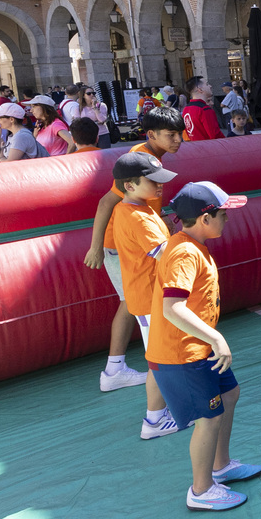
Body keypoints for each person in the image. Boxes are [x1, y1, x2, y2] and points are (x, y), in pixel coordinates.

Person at [148, 181, 261, 511]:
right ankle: (201, 490)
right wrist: (216, 338)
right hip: (182, 354)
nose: (227, 219)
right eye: (223, 214)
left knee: (230, 394)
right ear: (205, 218)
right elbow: (172, 308)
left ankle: (220, 466)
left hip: (198, 349)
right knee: (207, 418)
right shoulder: (183, 252)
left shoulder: (193, 245)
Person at [83, 106, 185, 392]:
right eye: (171, 135)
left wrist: (163, 216)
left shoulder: (154, 158)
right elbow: (107, 202)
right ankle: (117, 370)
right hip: (122, 245)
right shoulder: (140, 160)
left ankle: (118, 368)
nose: (178, 140)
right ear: (152, 134)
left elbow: (147, 201)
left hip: (133, 243)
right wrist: (96, 247)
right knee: (132, 303)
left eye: (180, 134)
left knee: (133, 303)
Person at [109, 152, 181, 440]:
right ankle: (154, 421)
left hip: (151, 297)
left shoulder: (138, 208)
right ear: (129, 185)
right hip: (151, 299)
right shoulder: (137, 216)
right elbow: (165, 254)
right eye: (152, 181)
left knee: (163, 359)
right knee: (161, 362)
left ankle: (162, 413)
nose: (160, 186)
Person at [182, 76, 223, 141]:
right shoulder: (205, 109)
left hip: (195, 147)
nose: (210, 86)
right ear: (200, 90)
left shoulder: (186, 109)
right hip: (208, 148)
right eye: (207, 84)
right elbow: (215, 135)